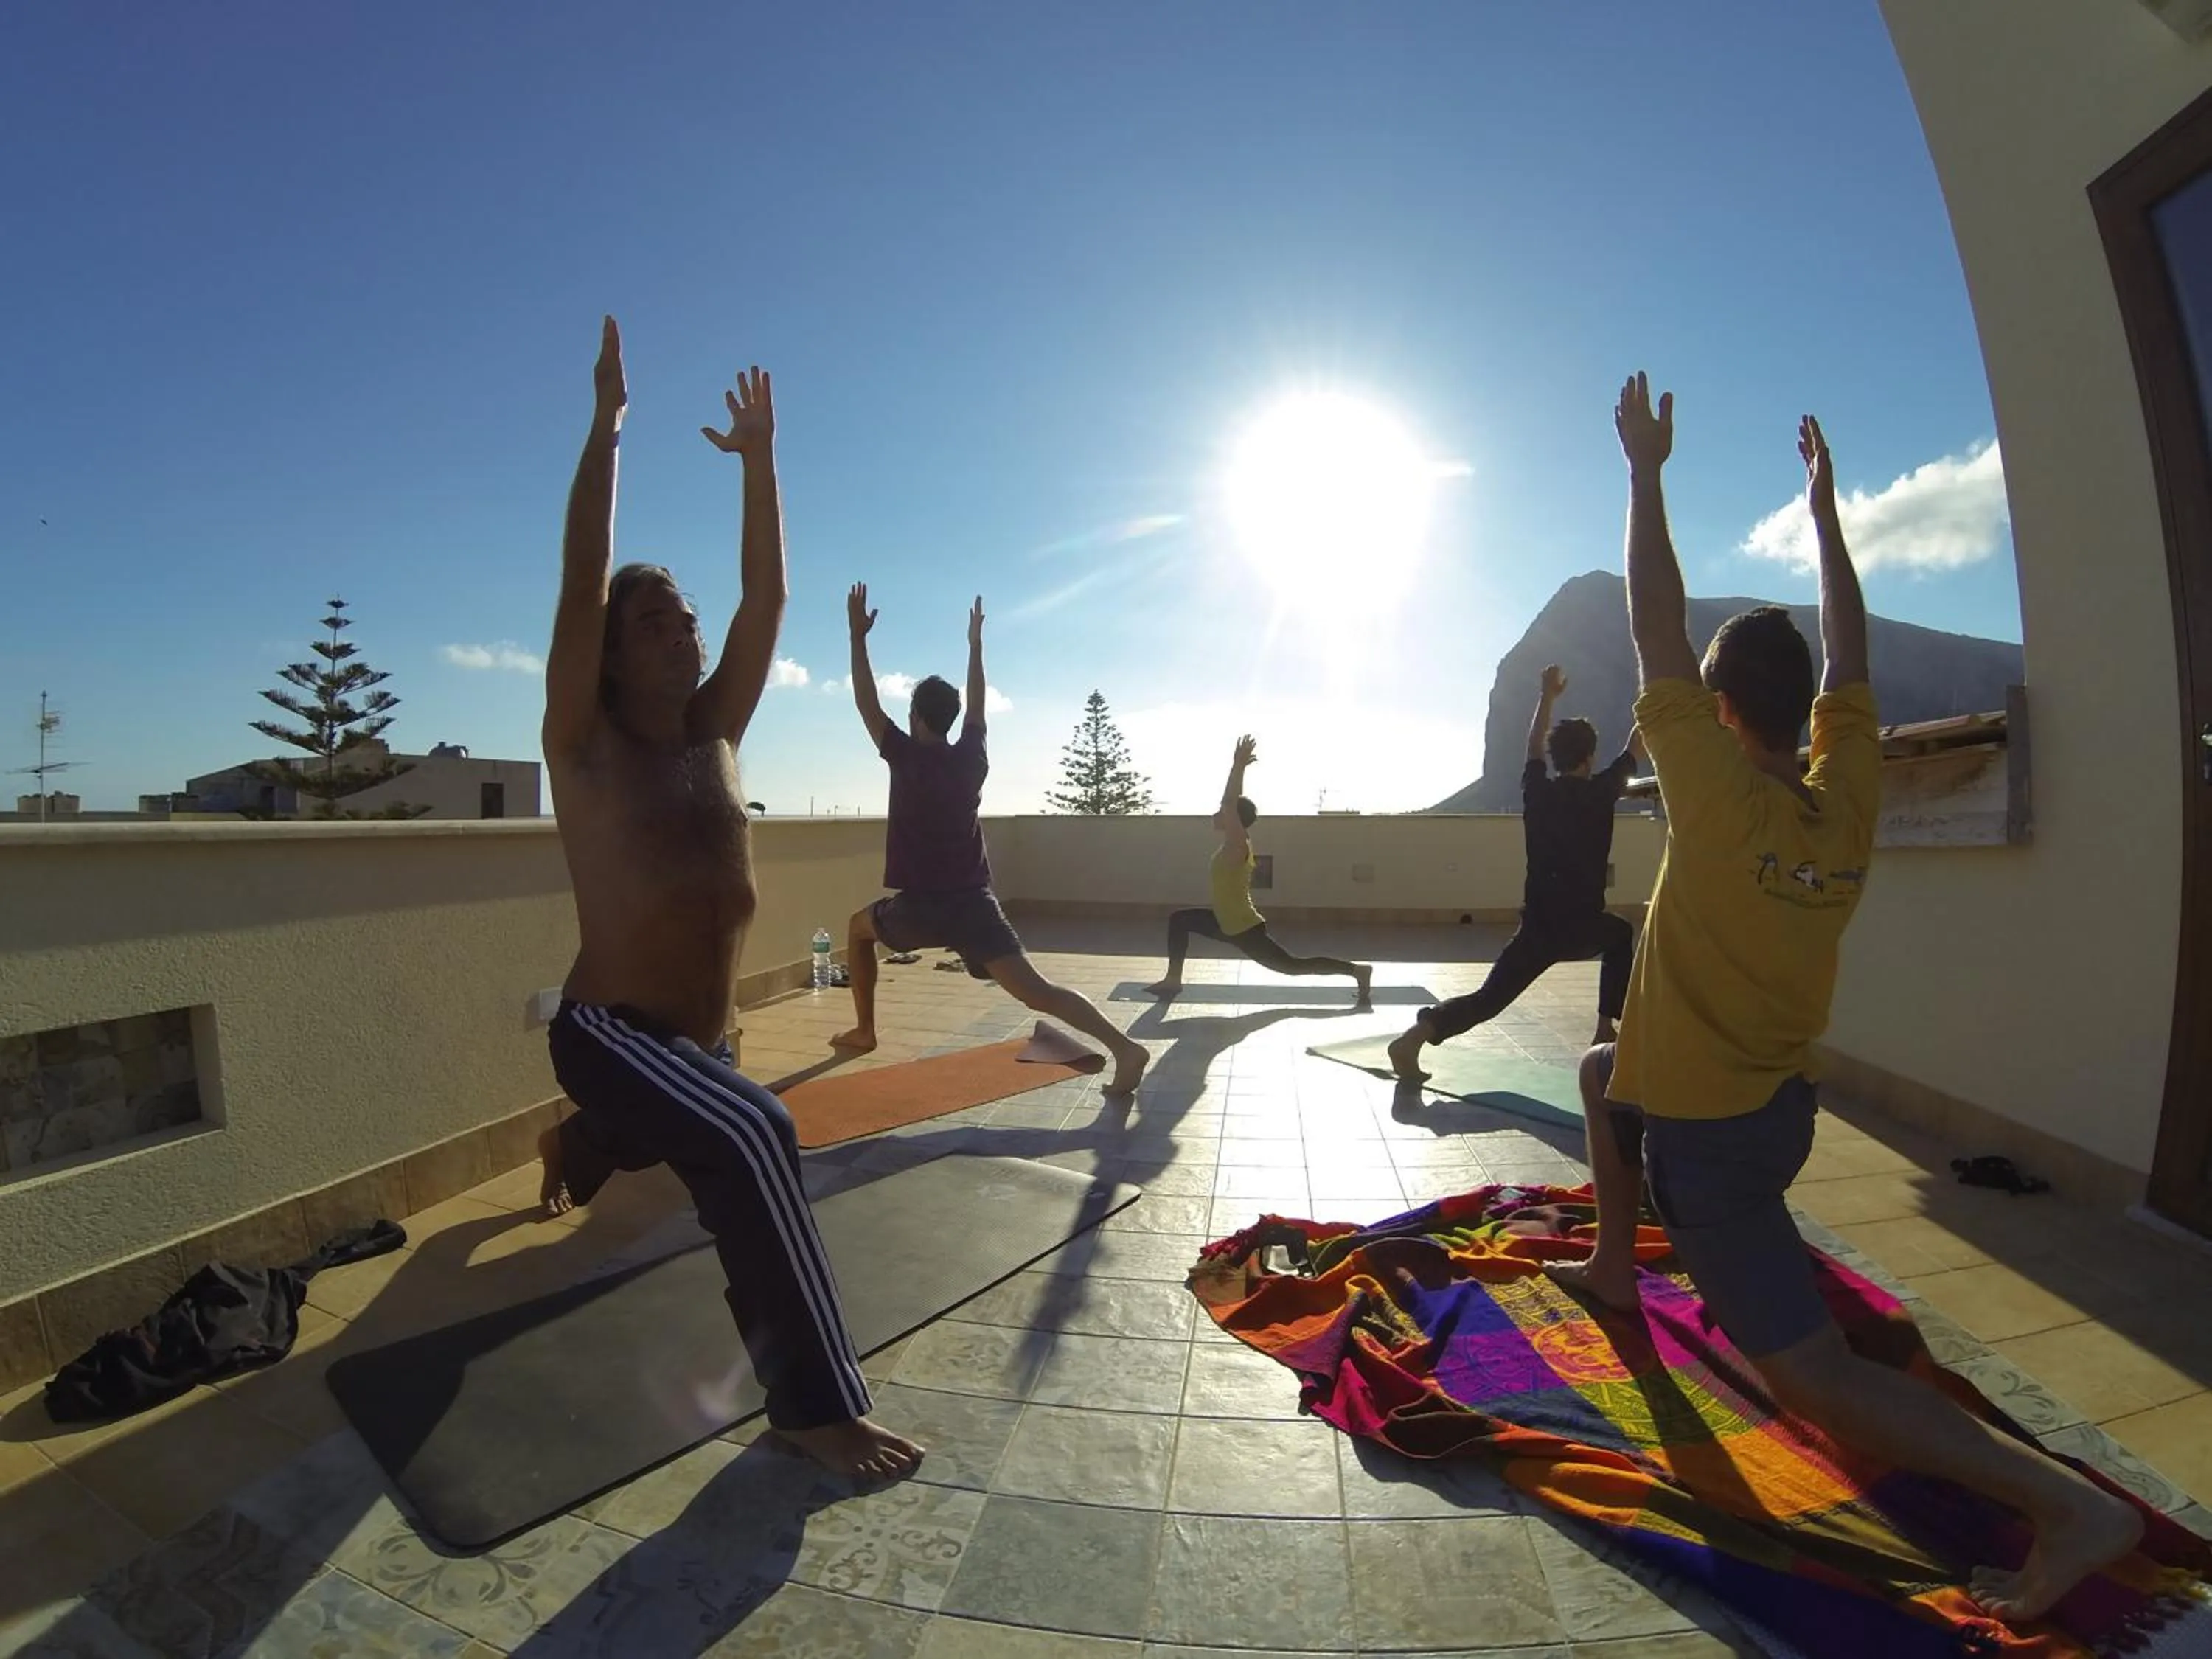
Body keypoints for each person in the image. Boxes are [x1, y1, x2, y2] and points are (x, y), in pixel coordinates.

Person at [1549, 374, 2139, 1622]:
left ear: (1714, 715)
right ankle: (1614, 1265)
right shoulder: (1847, 793)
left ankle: (2072, 1510)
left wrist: (1647, 472)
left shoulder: (1716, 802)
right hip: (1781, 1107)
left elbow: (1653, 626)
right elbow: (1850, 654)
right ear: (1801, 710)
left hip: (1713, 1145)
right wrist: (1825, 517)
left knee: (1807, 1372)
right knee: (1603, 1070)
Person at [533, 317, 921, 1480]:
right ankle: (810, 1405)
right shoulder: (584, 743)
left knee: (688, 1109)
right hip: (607, 1028)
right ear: (608, 654)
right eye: (656, 622)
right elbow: (579, 578)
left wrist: (760, 465)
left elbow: (768, 595)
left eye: (685, 618)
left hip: (693, 1036)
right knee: (756, 1131)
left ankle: (581, 1142)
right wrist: (607, 429)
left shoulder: (717, 728)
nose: (686, 631)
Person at [831, 585, 1152, 1094]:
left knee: (856, 929)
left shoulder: (904, 754)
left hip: (922, 908)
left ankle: (866, 1030)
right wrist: (975, 647)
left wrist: (856, 637)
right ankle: (1126, 1048)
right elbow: (978, 705)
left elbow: (865, 701)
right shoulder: (971, 759)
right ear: (951, 719)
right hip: (976, 907)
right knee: (1038, 991)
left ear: (915, 717)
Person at [1388, 669, 1644, 1080]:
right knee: (1619, 936)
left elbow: (1532, 749)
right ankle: (1603, 1027)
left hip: (1538, 929)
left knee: (1487, 1000)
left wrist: (1546, 697)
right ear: (1590, 757)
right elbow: (1635, 747)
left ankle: (1416, 1036)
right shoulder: (1602, 791)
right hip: (1582, 927)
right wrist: (1649, 704)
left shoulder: (1537, 791)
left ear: (1557, 758)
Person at [1144, 735, 1372, 1002]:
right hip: (1224, 921)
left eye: (1223, 811)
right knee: (1179, 920)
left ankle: (1357, 970)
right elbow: (1233, 805)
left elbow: (1231, 803)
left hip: (1243, 927)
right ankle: (1173, 980)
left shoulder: (1237, 845)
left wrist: (1238, 767)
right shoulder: (1232, 844)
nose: (1217, 813)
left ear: (1234, 821)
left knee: (1293, 967)